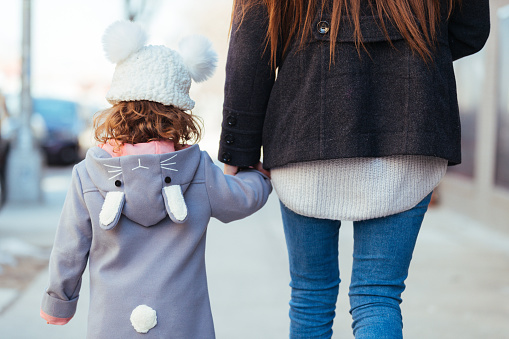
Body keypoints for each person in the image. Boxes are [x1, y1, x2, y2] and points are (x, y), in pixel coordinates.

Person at [218, 0, 490, 338]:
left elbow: (250, 50)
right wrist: (408, 62)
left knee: (310, 296)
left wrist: (237, 152)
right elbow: (471, 30)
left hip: (306, 126)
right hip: (410, 127)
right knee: (378, 296)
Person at [40, 21, 271, 339]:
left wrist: (58, 303)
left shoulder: (89, 175)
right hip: (184, 326)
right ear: (180, 115)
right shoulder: (197, 170)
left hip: (112, 326)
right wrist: (260, 176)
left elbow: (69, 248)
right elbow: (242, 199)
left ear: (119, 107)